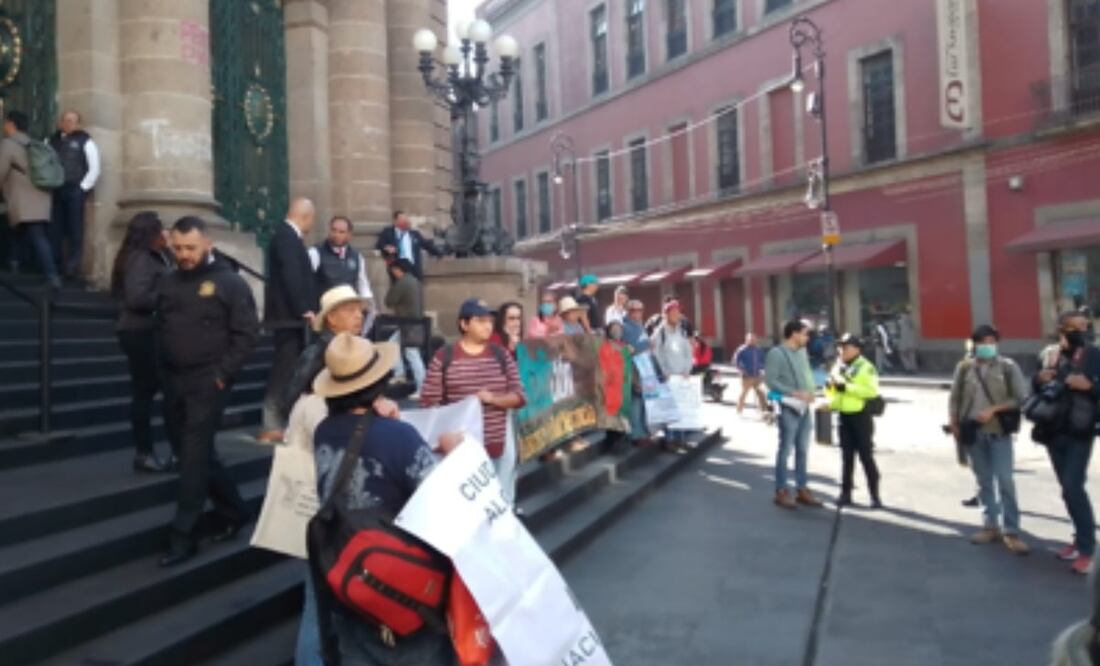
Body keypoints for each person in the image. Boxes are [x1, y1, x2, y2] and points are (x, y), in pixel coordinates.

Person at [311, 333, 458, 666]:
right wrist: (454, 453)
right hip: (404, 580)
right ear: (379, 382)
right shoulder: (399, 435)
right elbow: (442, 502)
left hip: (348, 574)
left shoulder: (324, 430)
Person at [279, 287, 399, 666]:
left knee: (320, 601)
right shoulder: (322, 377)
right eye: (350, 310)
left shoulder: (317, 388)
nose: (358, 317)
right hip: (335, 513)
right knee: (324, 605)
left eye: (360, 310)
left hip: (319, 509)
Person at [157, 216, 258, 567]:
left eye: (191, 248)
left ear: (208, 245)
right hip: (174, 380)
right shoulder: (168, 282)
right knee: (188, 452)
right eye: (178, 248)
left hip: (209, 380)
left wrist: (222, 374)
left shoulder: (229, 283)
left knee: (194, 455)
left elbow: (247, 334)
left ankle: (183, 536)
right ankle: (234, 510)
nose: (184, 255)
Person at [947, 324, 1029, 554]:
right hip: (972, 432)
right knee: (983, 480)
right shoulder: (964, 368)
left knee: (1005, 480)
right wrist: (954, 423)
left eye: (991, 342)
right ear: (975, 344)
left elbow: (1020, 398)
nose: (987, 346)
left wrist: (994, 409)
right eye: (983, 342)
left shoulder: (1008, 366)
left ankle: (1011, 530)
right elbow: (954, 398)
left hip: (998, 432)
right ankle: (989, 525)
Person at [420, 297, 526, 476]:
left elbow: (520, 396)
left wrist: (493, 399)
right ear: (464, 324)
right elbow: (429, 404)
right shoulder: (444, 357)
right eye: (480, 321)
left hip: (496, 449)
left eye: (490, 321)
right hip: (461, 452)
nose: (487, 326)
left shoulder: (501, 355)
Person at [1034, 310, 1100, 574]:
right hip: (1053, 429)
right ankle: (1077, 540)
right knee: (1066, 488)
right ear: (1062, 328)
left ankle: (1088, 549)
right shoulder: (1049, 354)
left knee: (1073, 485)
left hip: (1080, 430)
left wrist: (1090, 386)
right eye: (1075, 327)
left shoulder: (1094, 355)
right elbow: (1035, 385)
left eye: (1085, 326)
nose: (1082, 331)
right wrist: (1040, 379)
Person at [112, 211, 174, 473]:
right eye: (161, 229)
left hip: (152, 331)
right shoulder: (140, 259)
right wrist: (168, 299)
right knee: (146, 392)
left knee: (152, 391)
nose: (166, 234)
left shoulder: (158, 255)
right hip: (140, 332)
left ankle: (164, 450)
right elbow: (137, 298)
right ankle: (144, 452)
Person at [260, 197, 318, 443]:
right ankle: (270, 422)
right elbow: (291, 274)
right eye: (311, 220)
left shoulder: (290, 237)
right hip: (288, 317)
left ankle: (286, 420)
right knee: (283, 370)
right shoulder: (286, 237)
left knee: (293, 368)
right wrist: (303, 308)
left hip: (291, 317)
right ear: (305, 217)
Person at [765, 320, 822, 509]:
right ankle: (781, 490)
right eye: (805, 334)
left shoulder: (802, 352)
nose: (808, 338)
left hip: (804, 406)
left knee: (803, 449)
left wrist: (812, 391)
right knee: (785, 449)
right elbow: (771, 381)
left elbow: (806, 375)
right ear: (794, 334)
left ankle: (802, 488)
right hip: (789, 407)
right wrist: (794, 392)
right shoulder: (776, 353)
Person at [0, 110, 59, 288]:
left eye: (5, 123)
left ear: (11, 124)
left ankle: (51, 276)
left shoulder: (8, 144)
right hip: (41, 195)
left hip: (21, 197)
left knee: (34, 234)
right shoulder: (36, 144)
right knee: (20, 230)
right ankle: (15, 264)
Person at [826, 334, 884, 509]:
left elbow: (871, 391)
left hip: (860, 416)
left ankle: (875, 495)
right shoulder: (838, 365)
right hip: (843, 415)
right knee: (846, 457)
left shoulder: (866, 367)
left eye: (846, 346)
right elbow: (830, 386)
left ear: (857, 349)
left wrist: (845, 387)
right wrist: (830, 397)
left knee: (866, 456)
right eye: (840, 346)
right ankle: (845, 494)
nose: (842, 349)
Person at [48, 110, 100, 281]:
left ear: (78, 124)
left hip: (74, 190)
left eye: (72, 121)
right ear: (60, 122)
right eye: (65, 120)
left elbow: (94, 168)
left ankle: (71, 267)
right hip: (56, 190)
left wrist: (82, 188)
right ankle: (55, 266)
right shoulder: (51, 141)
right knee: (55, 230)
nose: (68, 123)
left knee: (75, 230)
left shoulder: (85, 141)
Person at [652, 300, 695, 450]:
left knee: (682, 409)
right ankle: (670, 440)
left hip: (682, 375)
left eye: (678, 312)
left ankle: (681, 439)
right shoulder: (660, 333)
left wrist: (687, 369)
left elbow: (688, 352)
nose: (677, 315)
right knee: (669, 410)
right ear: (667, 314)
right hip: (668, 377)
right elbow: (657, 355)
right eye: (674, 313)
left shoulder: (682, 331)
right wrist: (664, 372)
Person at [384, 258, 427, 392]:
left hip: (409, 324)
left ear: (398, 269)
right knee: (392, 345)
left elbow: (389, 301)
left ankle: (422, 388)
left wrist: (393, 285)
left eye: (393, 270)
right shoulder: (415, 281)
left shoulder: (402, 283)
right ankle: (399, 373)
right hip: (413, 323)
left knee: (412, 354)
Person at [308, 215, 373, 299]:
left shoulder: (357, 256)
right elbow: (306, 282)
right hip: (324, 307)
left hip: (348, 306)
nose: (336, 235)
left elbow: (363, 283)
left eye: (341, 232)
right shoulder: (315, 252)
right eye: (333, 230)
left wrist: (369, 305)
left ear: (349, 235)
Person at [374, 210, 443, 280]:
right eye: (403, 220)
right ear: (395, 221)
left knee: (416, 289)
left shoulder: (414, 234)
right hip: (398, 271)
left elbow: (426, 245)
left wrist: (439, 253)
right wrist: (386, 248)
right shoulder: (388, 233)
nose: (406, 222)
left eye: (406, 219)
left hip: (414, 271)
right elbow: (379, 245)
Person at [733, 333, 768, 417]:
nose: (752, 341)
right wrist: (742, 370)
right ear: (746, 340)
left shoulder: (758, 350)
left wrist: (762, 369)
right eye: (750, 339)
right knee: (744, 394)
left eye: (754, 339)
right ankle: (739, 411)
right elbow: (736, 361)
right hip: (746, 377)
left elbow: (763, 360)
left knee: (761, 394)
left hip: (757, 376)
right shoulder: (742, 350)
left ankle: (764, 411)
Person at [897, 307, 918, 373]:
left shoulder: (902, 320)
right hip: (911, 342)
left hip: (904, 342)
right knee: (912, 356)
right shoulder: (911, 320)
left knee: (903, 355)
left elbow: (902, 334)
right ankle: (914, 368)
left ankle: (908, 368)